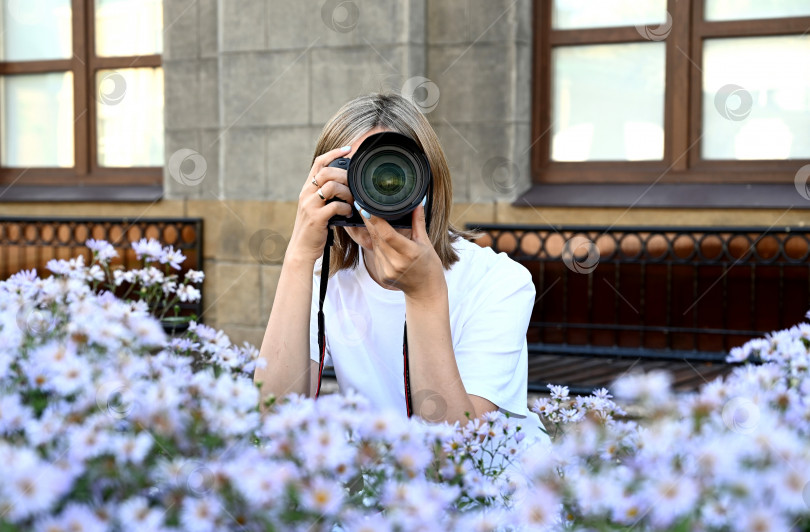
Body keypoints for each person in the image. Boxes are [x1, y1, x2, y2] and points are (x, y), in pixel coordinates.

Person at [255, 92, 547, 445]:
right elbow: (272, 418)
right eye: (359, 176)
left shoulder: (499, 281)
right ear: (325, 185)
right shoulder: (327, 277)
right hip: (388, 487)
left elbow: (461, 453)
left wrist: (425, 296)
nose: (376, 195)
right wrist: (299, 257)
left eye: (392, 174)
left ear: (429, 183)